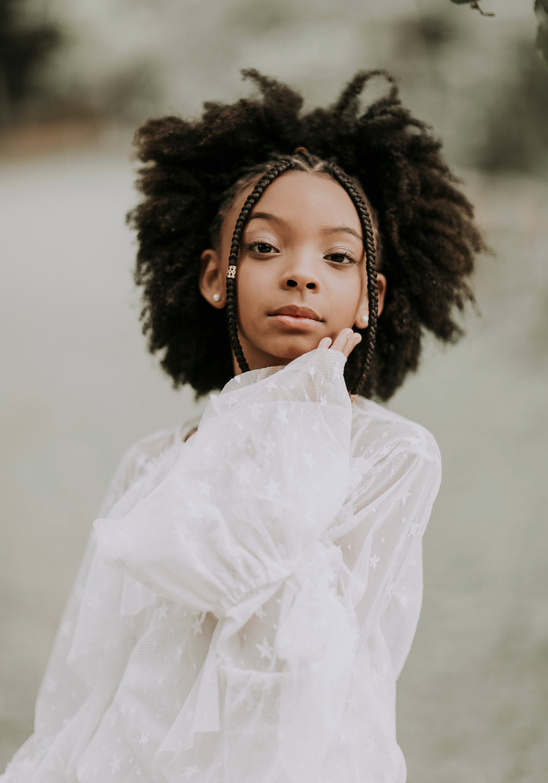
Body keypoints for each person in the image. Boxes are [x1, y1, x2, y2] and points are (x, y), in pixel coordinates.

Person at [2, 69, 487, 783]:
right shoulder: (151, 463)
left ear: (368, 298)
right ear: (213, 275)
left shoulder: (392, 455)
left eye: (338, 256)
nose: (301, 273)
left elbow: (307, 645)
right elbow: (91, 663)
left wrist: (302, 410)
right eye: (265, 247)